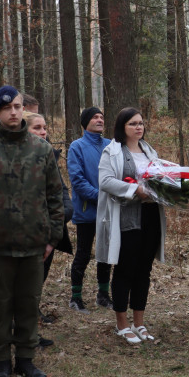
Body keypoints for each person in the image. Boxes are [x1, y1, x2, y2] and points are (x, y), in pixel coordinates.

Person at [0, 86, 64, 377]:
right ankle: (2, 361)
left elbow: (55, 197)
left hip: (34, 244)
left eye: (17, 106)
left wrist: (52, 239)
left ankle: (26, 360)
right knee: (1, 306)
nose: (14, 112)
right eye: (7, 108)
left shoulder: (42, 149)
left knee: (29, 303)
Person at [97, 107, 167, 344]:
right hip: (127, 218)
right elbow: (105, 181)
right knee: (126, 269)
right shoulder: (112, 151)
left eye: (141, 123)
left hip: (150, 216)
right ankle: (122, 324)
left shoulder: (149, 151)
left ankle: (139, 323)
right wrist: (134, 189)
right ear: (122, 127)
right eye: (133, 124)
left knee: (144, 270)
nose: (138, 127)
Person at [26, 112, 74, 349]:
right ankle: (23, 335)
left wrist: (64, 213)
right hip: (26, 235)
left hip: (50, 234)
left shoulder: (50, 158)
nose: (43, 132)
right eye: (37, 128)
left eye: (45, 127)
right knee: (23, 286)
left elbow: (61, 192)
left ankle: (32, 324)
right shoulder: (14, 159)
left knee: (38, 281)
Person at [67, 107, 113, 310]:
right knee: (83, 254)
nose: (100, 120)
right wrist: (100, 197)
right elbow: (77, 180)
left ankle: (103, 295)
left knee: (106, 254)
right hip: (87, 210)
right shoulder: (76, 147)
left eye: (102, 117)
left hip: (108, 210)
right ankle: (75, 297)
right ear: (86, 122)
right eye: (95, 117)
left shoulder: (111, 145)